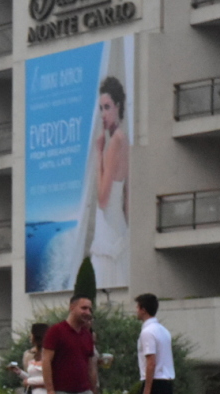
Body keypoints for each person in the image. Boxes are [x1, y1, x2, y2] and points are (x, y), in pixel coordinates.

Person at [90, 76, 129, 291]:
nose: (103, 114)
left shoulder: (115, 142)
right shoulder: (124, 139)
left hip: (109, 231)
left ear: (118, 106)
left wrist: (98, 153)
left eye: (107, 107)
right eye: (100, 108)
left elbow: (103, 199)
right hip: (118, 228)